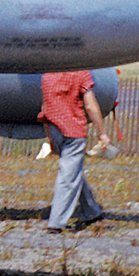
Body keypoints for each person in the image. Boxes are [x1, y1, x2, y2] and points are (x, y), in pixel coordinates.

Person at [38, 70, 111, 233]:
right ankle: (56, 223)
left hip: (54, 129)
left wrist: (50, 138)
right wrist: (102, 133)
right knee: (68, 176)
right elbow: (91, 106)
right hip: (73, 131)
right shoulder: (81, 74)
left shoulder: (47, 76)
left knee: (71, 170)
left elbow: (45, 108)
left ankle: (92, 211)